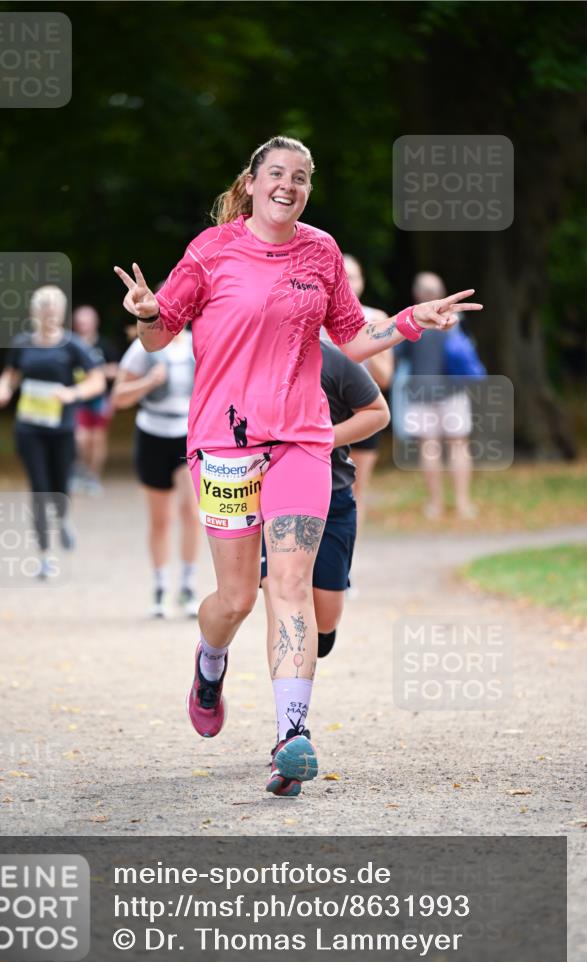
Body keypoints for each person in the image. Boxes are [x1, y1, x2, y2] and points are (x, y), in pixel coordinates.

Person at [114, 135, 481, 797]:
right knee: (234, 598)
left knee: (289, 582)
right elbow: (162, 329)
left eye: (301, 177)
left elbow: (349, 336)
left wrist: (405, 321)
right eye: (277, 173)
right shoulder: (212, 249)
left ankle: (290, 734)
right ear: (251, 182)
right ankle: (210, 659)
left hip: (303, 440)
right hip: (225, 444)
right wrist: (145, 315)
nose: (288, 185)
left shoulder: (321, 250)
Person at [260, 339, 389, 792]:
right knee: (282, 594)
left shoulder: (329, 358)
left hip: (331, 495)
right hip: (266, 495)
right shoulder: (241, 353)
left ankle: (313, 648)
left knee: (325, 619)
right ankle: (289, 733)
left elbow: (378, 412)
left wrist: (319, 437)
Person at [0, 285, 106, 578]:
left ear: (61, 312)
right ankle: (45, 557)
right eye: (44, 309)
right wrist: (3, 389)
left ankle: (64, 517)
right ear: (35, 312)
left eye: (54, 309)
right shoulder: (22, 343)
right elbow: (11, 374)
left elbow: (97, 381)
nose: (49, 314)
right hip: (29, 428)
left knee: (59, 486)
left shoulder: (72, 346)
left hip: (62, 429)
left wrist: (73, 394)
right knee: (39, 490)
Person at [112, 323, 201, 618]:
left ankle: (188, 585)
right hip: (152, 434)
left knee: (191, 510)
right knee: (161, 519)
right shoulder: (142, 347)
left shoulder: (197, 343)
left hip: (187, 435)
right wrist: (148, 382)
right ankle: (160, 587)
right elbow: (119, 397)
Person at [398, 271, 477, 520]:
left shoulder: (411, 321)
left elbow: (400, 355)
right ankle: (463, 504)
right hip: (453, 391)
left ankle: (435, 505)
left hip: (421, 392)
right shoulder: (457, 319)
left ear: (417, 293)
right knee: (458, 445)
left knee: (429, 448)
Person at [341, 254, 394, 522]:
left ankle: (349, 561)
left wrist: (363, 337)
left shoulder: (378, 319)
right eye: (343, 276)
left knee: (355, 492)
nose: (348, 283)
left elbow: (385, 378)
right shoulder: (317, 318)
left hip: (364, 412)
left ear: (362, 282)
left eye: (353, 277)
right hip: (328, 414)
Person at [71, 305, 120, 496]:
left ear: (95, 322)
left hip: (100, 398)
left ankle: (93, 476)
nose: (84, 324)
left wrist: (97, 373)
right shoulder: (71, 344)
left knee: (97, 439)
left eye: (87, 320)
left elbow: (116, 370)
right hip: (78, 397)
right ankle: (79, 469)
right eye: (81, 321)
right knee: (80, 438)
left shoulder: (104, 345)